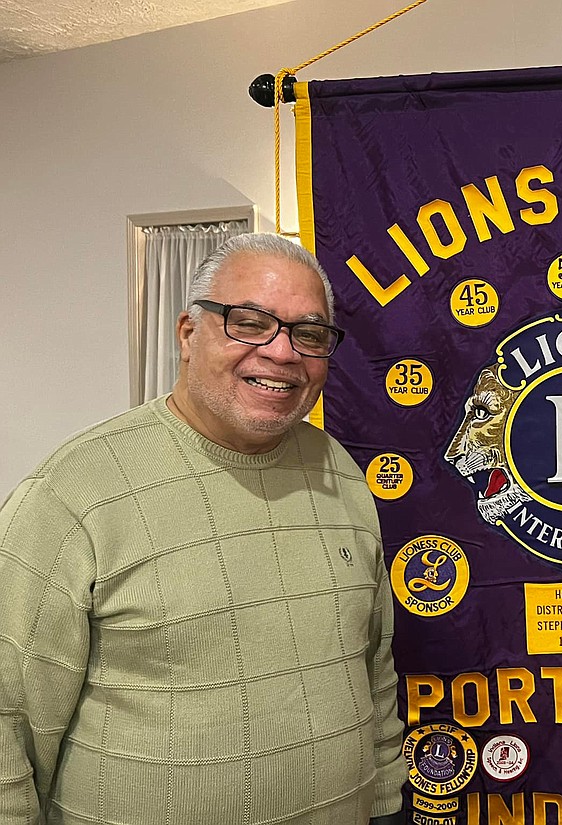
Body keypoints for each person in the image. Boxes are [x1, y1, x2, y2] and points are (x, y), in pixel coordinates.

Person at [0, 234, 406, 823]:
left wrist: (389, 799)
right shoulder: (76, 491)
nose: (282, 353)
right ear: (188, 333)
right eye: (249, 322)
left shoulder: (337, 469)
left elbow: (373, 667)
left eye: (309, 334)